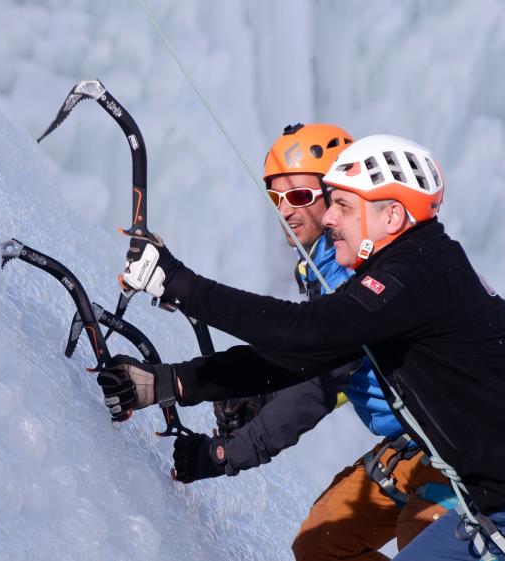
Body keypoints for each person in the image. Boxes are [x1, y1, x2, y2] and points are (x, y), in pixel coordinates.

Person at [102, 133, 505, 561]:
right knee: (321, 547)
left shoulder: (414, 273)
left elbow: (304, 337)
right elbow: (296, 356)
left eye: (341, 205)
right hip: (500, 499)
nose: (327, 217)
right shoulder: (399, 275)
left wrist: (180, 283)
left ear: (391, 217)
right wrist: (169, 383)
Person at [169, 123, 452, 560]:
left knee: (422, 539)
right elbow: (339, 371)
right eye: (275, 197)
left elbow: (321, 387)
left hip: (447, 447)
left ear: (336, 195)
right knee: (320, 546)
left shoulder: (360, 270)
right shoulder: (321, 267)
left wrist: (225, 454)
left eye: (299, 196)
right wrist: (263, 398)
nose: (285, 209)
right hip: (407, 446)